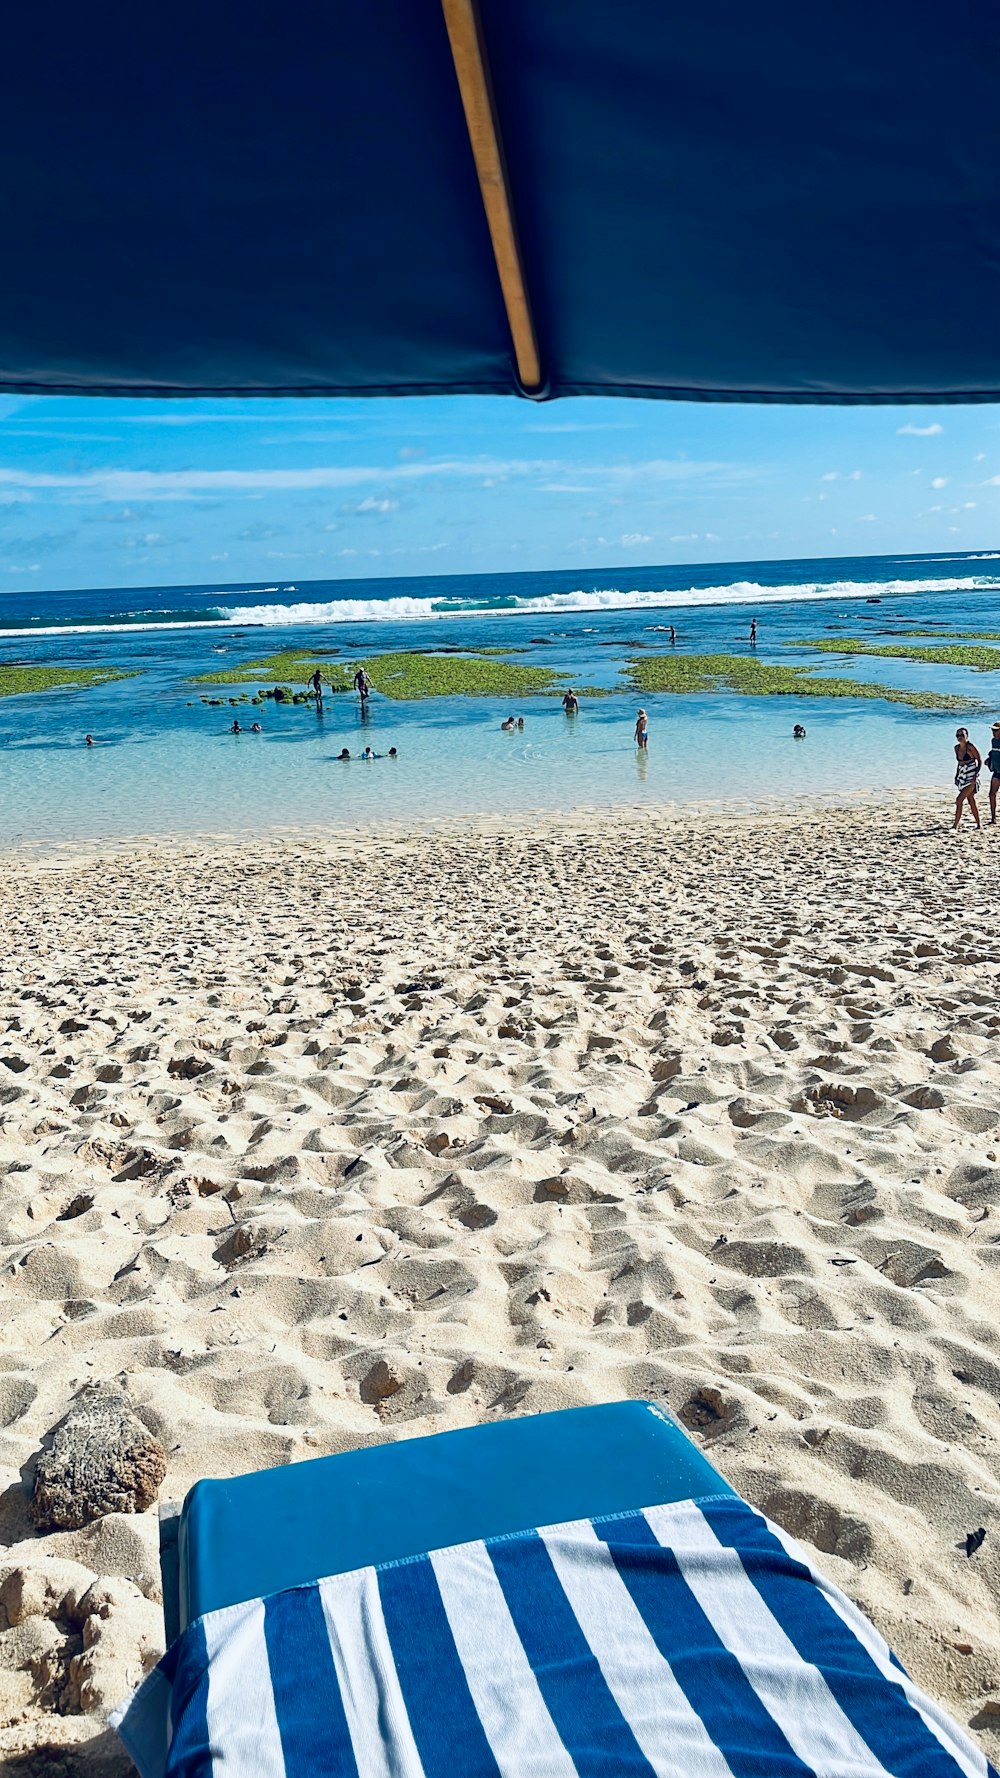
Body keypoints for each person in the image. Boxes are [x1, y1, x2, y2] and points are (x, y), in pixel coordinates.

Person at [953, 727, 982, 830]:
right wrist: (956, 775)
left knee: (959, 800)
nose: (960, 737)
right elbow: (959, 763)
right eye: (958, 735)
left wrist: (975, 775)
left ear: (967, 736)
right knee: (971, 800)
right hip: (962, 776)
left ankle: (955, 825)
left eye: (962, 735)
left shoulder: (970, 747)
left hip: (971, 777)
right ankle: (979, 824)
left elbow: (979, 760)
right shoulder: (956, 748)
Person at [987, 722, 1000, 825]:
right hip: (996, 772)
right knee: (992, 794)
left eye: (995, 730)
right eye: (992, 730)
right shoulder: (993, 741)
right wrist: (989, 759)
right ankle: (993, 818)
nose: (993, 732)